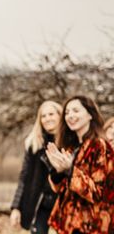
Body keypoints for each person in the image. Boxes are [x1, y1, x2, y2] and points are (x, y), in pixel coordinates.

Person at [46, 95, 114, 234]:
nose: (70, 115)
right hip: (68, 225)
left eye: (76, 111)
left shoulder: (99, 146)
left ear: (90, 114)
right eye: (67, 112)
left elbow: (98, 193)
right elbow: (61, 190)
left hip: (91, 226)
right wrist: (58, 173)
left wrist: (71, 170)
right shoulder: (72, 147)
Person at [10, 100, 62, 234]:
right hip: (41, 204)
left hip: (63, 204)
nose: (47, 118)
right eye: (43, 116)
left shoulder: (70, 142)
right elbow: (24, 177)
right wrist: (16, 207)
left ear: (60, 115)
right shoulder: (34, 143)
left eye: (51, 114)